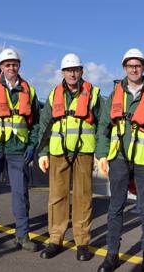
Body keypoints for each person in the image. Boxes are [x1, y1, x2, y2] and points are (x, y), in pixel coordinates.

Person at [95, 48, 144, 272]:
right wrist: (101, 154)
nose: (134, 69)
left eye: (137, 65)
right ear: (124, 68)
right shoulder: (115, 94)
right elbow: (103, 128)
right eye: (130, 65)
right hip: (118, 158)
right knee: (115, 208)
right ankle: (112, 255)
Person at [0, 48, 41, 253]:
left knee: (21, 193)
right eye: (7, 64)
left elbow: (35, 123)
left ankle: (23, 235)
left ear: (19, 66)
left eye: (15, 64)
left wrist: (31, 145)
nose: (11, 67)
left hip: (17, 149)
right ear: (1, 67)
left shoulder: (29, 90)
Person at [37, 53, 102, 261]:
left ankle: (82, 241)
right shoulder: (53, 94)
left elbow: (103, 126)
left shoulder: (94, 94)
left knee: (83, 197)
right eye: (68, 70)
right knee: (57, 197)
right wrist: (42, 152)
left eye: (76, 70)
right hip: (58, 152)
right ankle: (55, 239)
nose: (72, 74)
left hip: (84, 152)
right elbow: (44, 125)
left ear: (81, 71)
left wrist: (101, 154)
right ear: (62, 73)